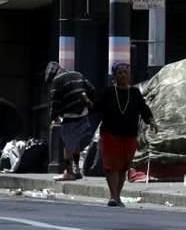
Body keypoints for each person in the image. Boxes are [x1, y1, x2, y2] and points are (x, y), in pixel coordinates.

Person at [80, 63, 157, 206]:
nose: (123, 75)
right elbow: (95, 107)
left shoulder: (134, 93)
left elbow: (143, 108)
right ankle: (113, 196)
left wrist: (151, 121)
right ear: (114, 76)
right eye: (120, 73)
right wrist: (86, 100)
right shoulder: (108, 92)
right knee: (112, 166)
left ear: (129, 75)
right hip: (110, 134)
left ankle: (118, 195)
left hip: (129, 135)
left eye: (125, 72)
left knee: (123, 167)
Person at [44, 62, 96, 181]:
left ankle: (68, 172)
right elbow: (92, 89)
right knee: (75, 142)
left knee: (67, 145)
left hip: (69, 115)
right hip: (83, 113)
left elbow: (54, 102)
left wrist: (53, 117)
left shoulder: (57, 80)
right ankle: (77, 169)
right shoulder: (77, 74)